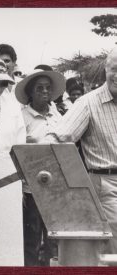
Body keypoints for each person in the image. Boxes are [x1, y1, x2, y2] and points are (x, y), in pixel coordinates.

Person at [43, 47, 117, 255]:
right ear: (105, 70)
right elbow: (58, 137)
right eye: (114, 69)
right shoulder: (88, 103)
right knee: (114, 249)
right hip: (106, 185)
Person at [15, 68, 65, 266]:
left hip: (55, 187)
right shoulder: (22, 117)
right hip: (32, 188)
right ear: (30, 93)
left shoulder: (57, 116)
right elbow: (17, 151)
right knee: (32, 239)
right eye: (39, 88)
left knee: (55, 239)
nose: (45, 92)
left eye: (47, 88)